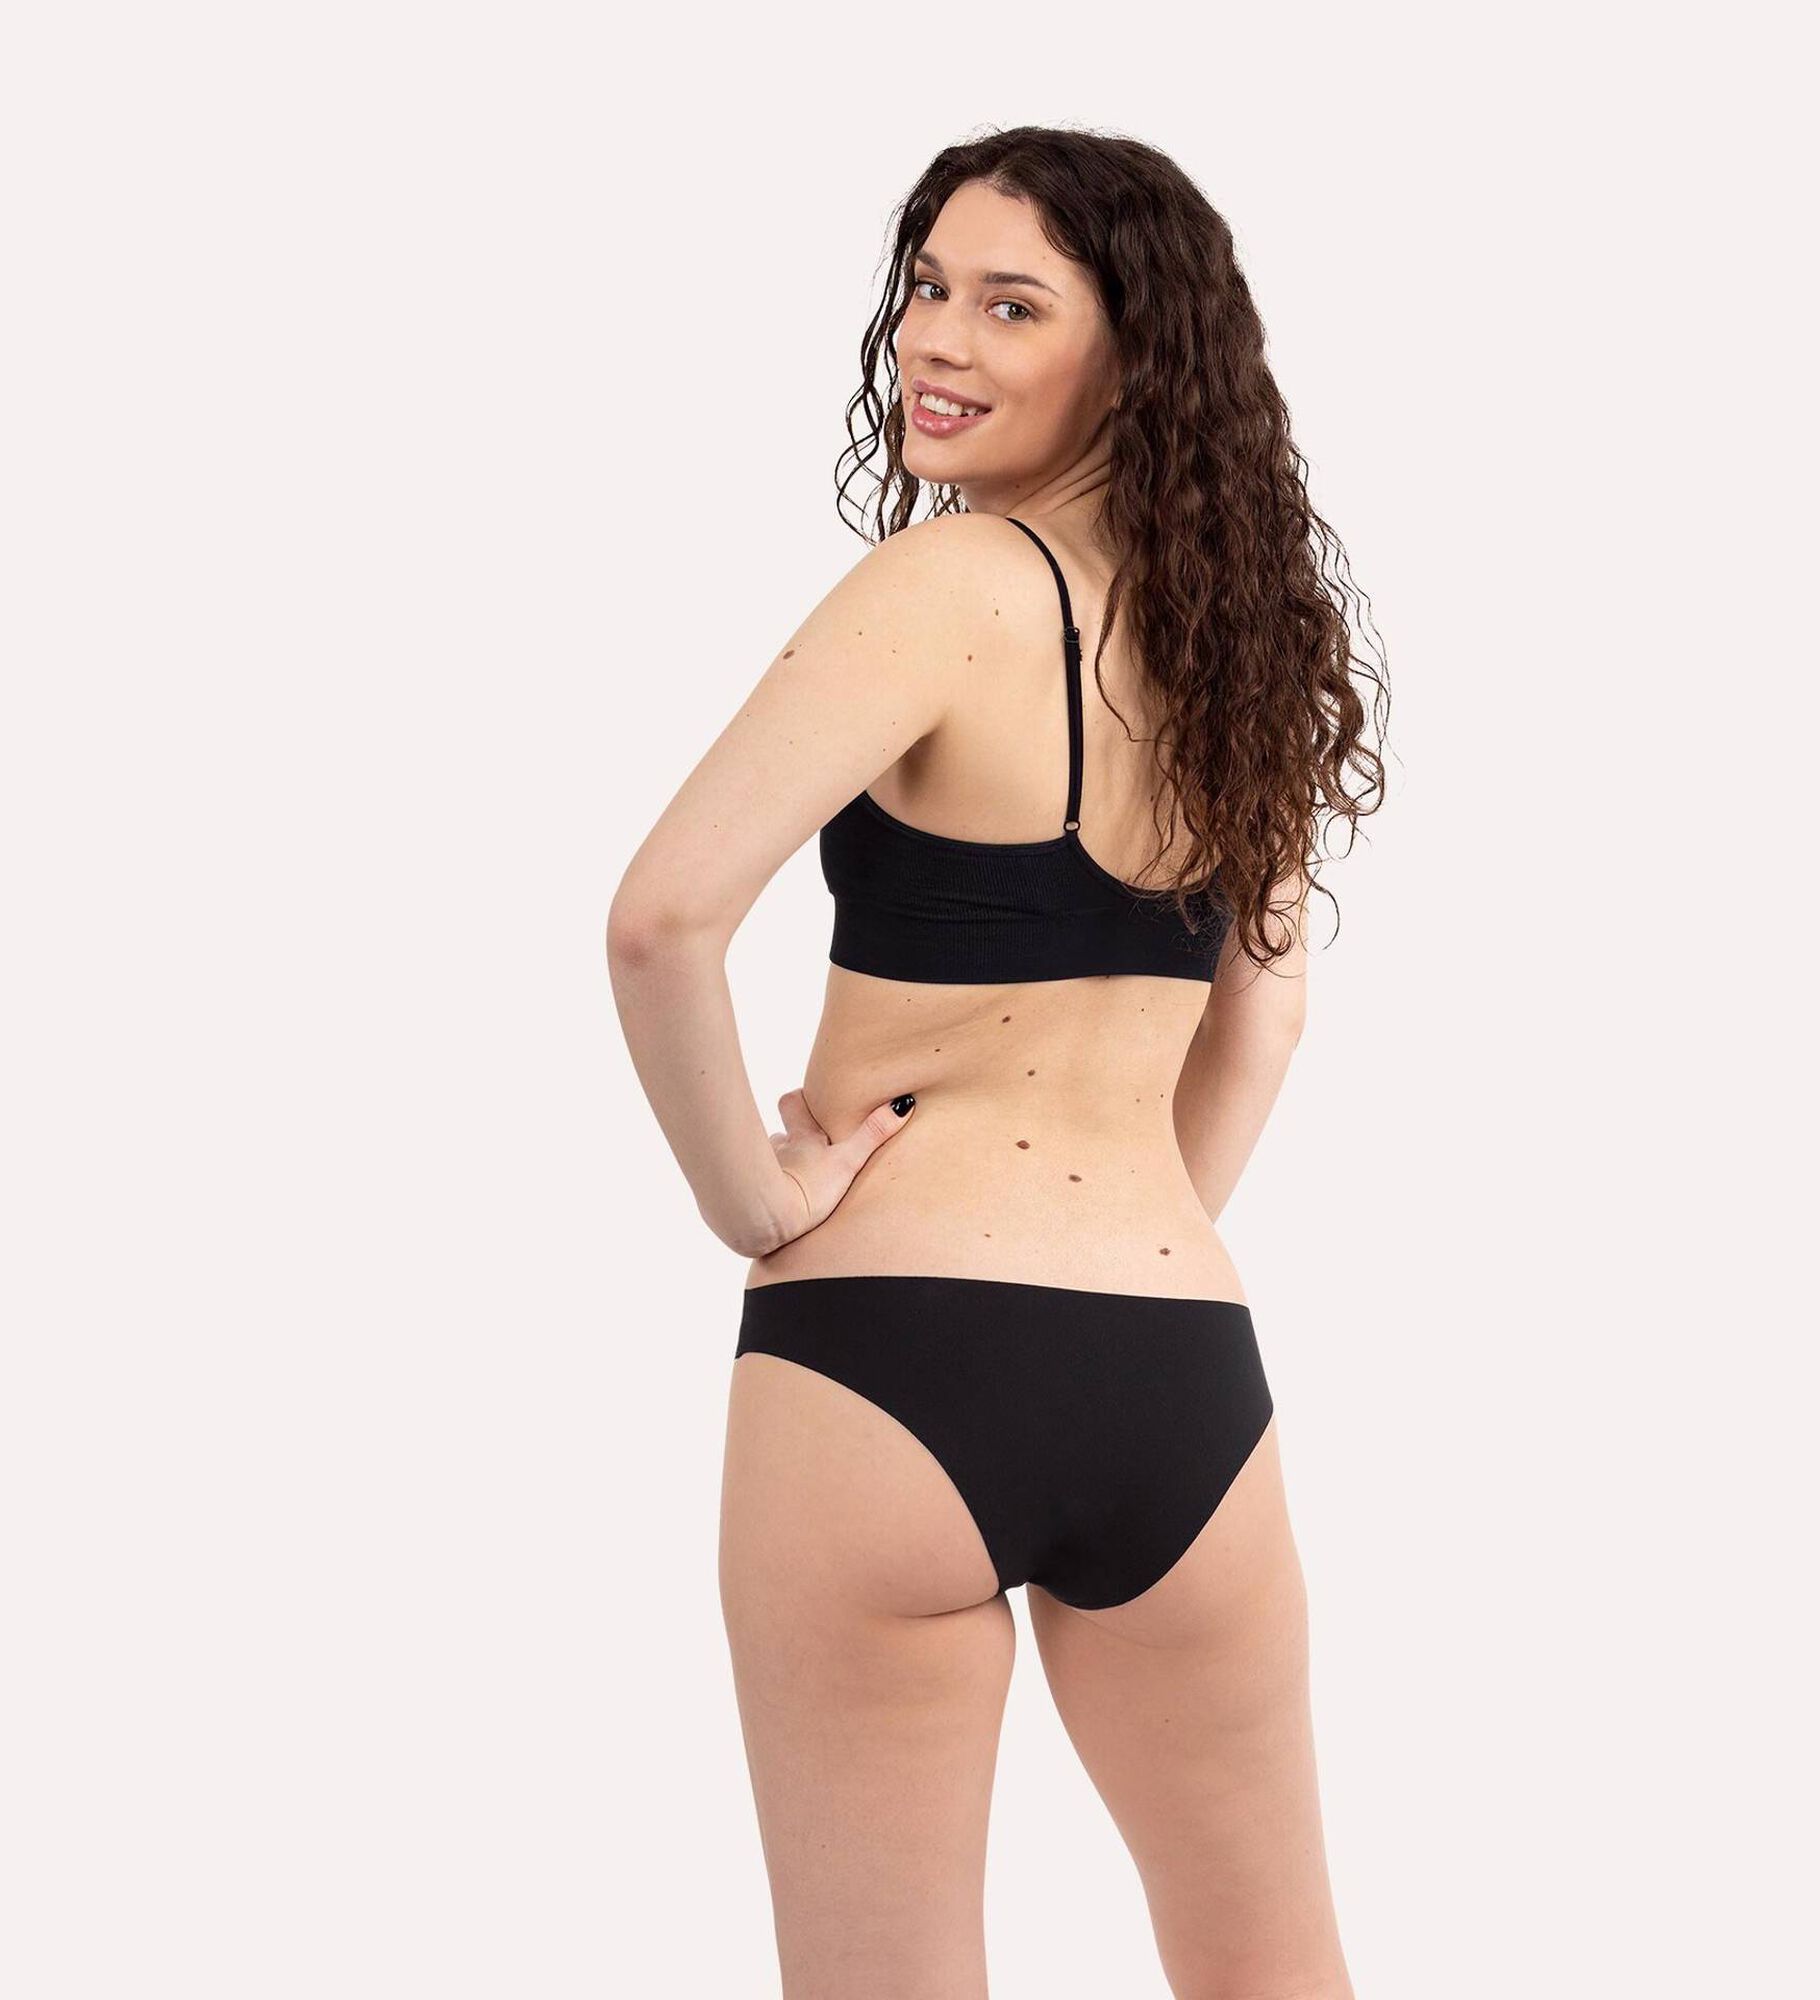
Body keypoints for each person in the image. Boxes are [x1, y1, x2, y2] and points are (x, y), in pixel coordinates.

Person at [607, 125, 1387, 2000]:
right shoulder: (1242, 649)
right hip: (1182, 1378)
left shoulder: (946, 583)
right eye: (928, 288)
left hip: (887, 1360)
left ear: (1133, 352)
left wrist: (757, 1203)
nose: (938, 340)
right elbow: (1265, 1015)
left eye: (1011, 304)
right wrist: (1124, 1244)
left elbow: (661, 922)